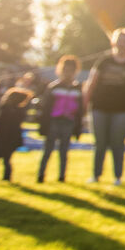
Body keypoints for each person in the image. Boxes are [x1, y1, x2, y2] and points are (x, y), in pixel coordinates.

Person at [84, 27, 125, 185]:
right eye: (119, 40)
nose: (122, 43)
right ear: (114, 41)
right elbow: (91, 83)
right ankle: (96, 175)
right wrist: (84, 105)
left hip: (123, 110)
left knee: (117, 143)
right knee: (99, 143)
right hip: (99, 107)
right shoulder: (104, 61)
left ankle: (117, 177)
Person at [37, 55, 84, 183]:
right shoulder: (54, 87)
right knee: (48, 150)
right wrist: (43, 126)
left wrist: (77, 127)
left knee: (64, 151)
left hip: (68, 122)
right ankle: (41, 175)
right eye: (65, 70)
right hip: (54, 121)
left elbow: (80, 110)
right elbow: (46, 108)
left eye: (71, 71)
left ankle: (62, 176)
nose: (68, 73)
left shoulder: (78, 89)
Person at [0, 86, 33, 181]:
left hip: (5, 137)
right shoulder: (19, 111)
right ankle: (4, 175)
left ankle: (5, 176)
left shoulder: (6, 109)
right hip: (12, 139)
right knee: (6, 158)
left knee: (4, 157)